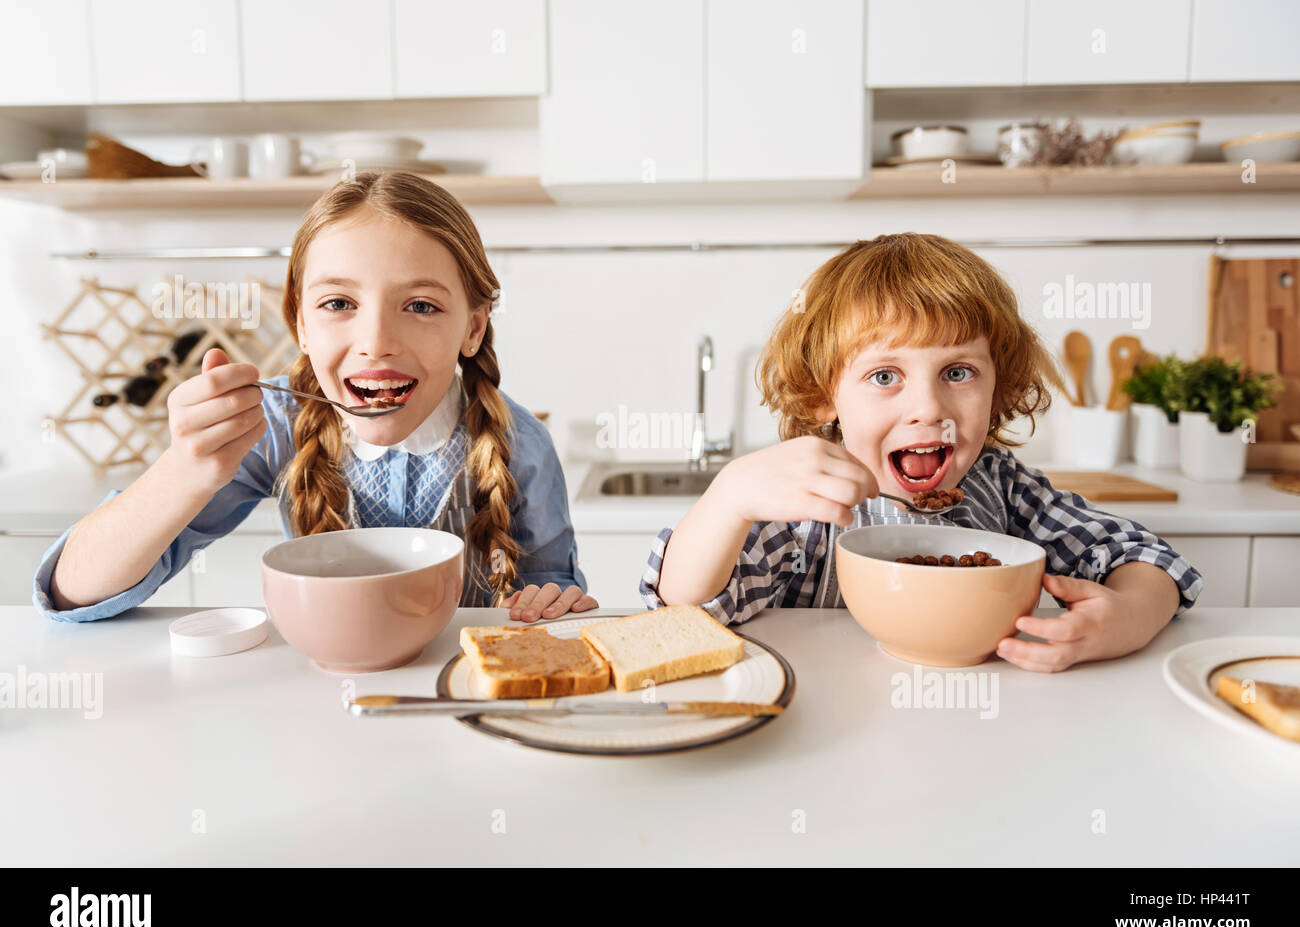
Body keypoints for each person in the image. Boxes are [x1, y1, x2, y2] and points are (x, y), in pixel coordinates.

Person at [37, 172, 596, 624]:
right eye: (338, 304)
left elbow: (556, 604)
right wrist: (185, 469)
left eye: (421, 305)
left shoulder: (520, 445)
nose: (376, 343)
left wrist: (553, 607)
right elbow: (73, 592)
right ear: (301, 325)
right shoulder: (275, 423)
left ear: (472, 329)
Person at [641, 233, 1202, 672]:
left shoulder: (1001, 484)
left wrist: (1127, 616)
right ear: (821, 398)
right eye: (885, 375)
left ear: (997, 386)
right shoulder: (803, 500)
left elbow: (1141, 555)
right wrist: (729, 497)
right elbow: (686, 607)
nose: (928, 407)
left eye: (958, 372)